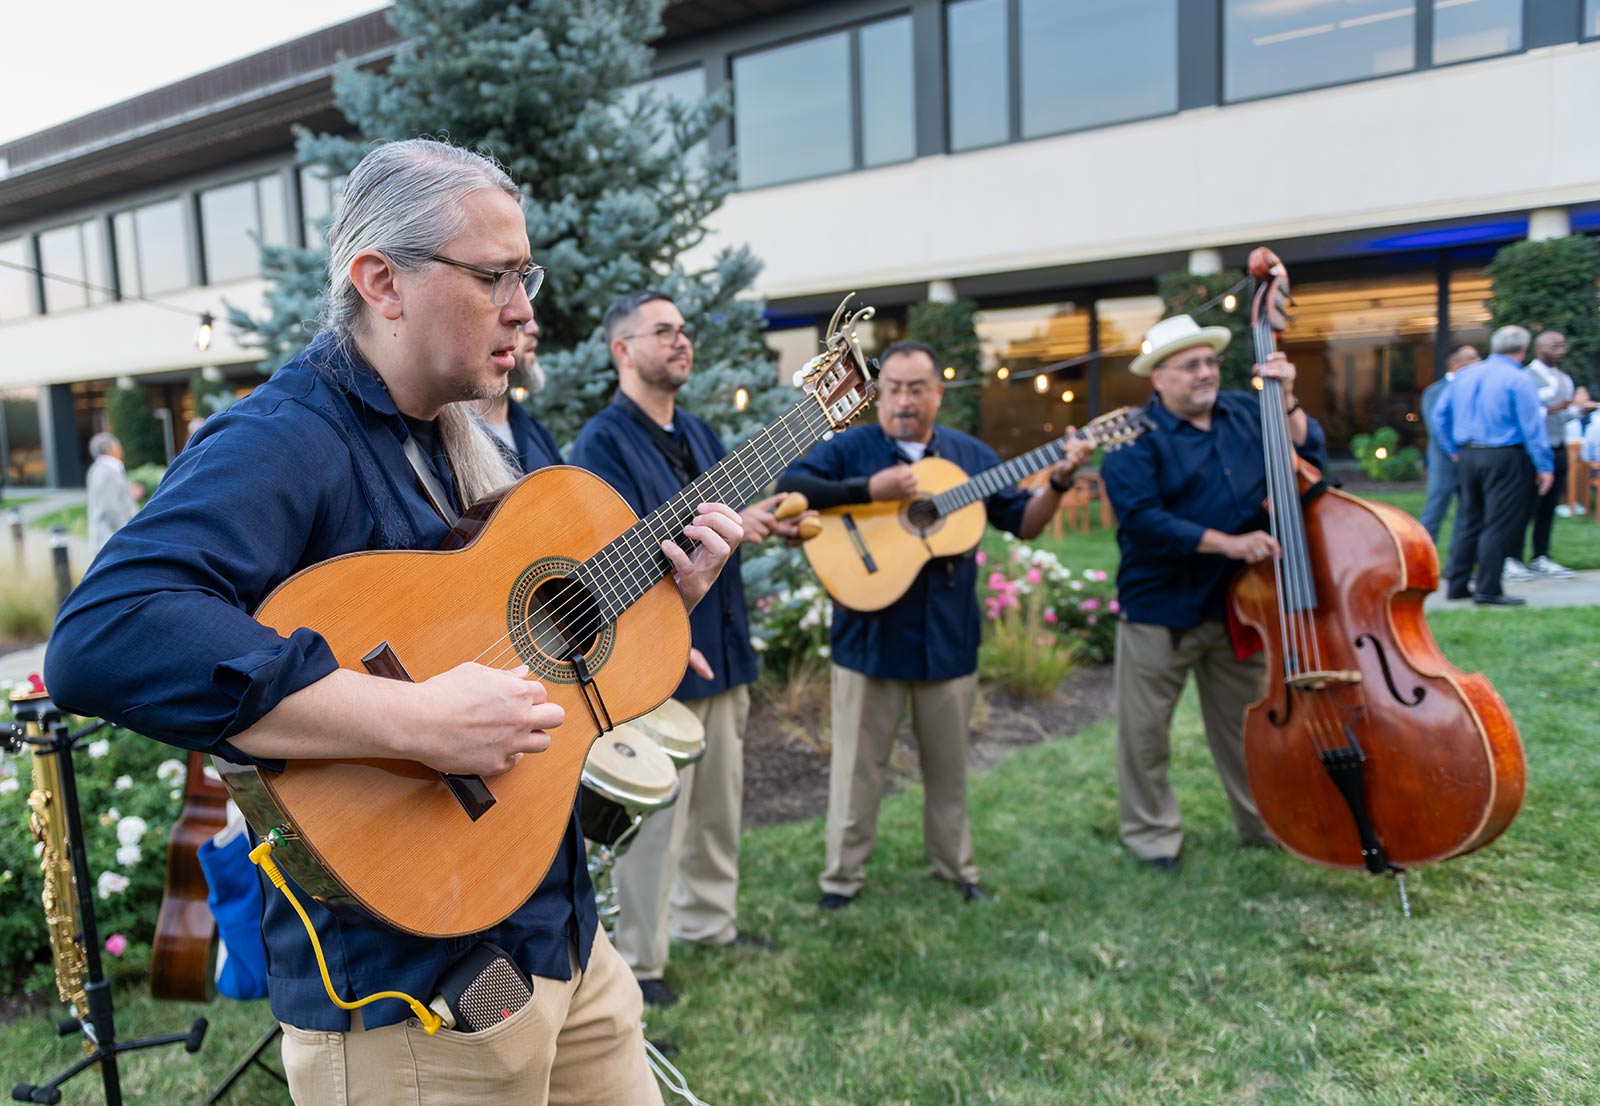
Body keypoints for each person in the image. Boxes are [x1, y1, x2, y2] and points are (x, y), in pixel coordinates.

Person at [46, 138, 746, 1106]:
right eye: (495, 275)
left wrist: (660, 595)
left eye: (525, 274)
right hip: (410, 1007)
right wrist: (417, 723)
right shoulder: (287, 436)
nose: (524, 309)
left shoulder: (453, 433)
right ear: (381, 281)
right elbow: (103, 635)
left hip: (561, 942)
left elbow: (501, 643)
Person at [777, 339, 1092, 909]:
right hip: (869, 637)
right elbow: (789, 490)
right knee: (857, 770)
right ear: (878, 395)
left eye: (916, 388)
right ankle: (841, 880)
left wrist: (1062, 480)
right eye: (892, 388)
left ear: (938, 393)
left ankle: (956, 868)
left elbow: (1023, 523)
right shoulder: (852, 448)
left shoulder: (969, 457)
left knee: (949, 771)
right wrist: (867, 490)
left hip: (948, 640)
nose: (903, 399)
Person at [569, 289, 793, 1008]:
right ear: (622, 350)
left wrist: (748, 521)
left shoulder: (697, 430)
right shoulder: (602, 440)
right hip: (655, 656)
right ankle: (642, 957)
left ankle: (711, 922)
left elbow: (708, 523)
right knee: (658, 821)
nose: (681, 340)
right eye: (662, 331)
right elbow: (619, 552)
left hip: (723, 643)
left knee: (720, 806)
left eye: (684, 330)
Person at [1099, 315, 1325, 870]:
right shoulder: (1132, 435)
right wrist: (1229, 543)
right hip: (1161, 610)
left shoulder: (1249, 413)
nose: (1205, 374)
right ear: (1159, 378)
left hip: (1243, 607)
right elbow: (1143, 520)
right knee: (1145, 734)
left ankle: (1262, 822)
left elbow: (1309, 458)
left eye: (1210, 362)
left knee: (1249, 729)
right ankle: (1152, 836)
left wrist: (1289, 397)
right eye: (1190, 365)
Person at [1433, 324, 1553, 607]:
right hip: (1504, 455)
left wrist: (1453, 449)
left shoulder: (1464, 375)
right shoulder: (1518, 379)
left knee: (1469, 519)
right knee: (1498, 522)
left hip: (1468, 454)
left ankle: (1457, 585)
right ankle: (1488, 589)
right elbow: (1532, 427)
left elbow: (1440, 416)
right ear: (1522, 350)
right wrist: (1544, 465)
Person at [1511, 330, 1590, 578]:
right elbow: (1526, 415)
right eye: (1555, 345)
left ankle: (1540, 556)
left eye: (1563, 345)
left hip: (1557, 448)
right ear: (1539, 347)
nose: (1561, 350)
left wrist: (1577, 411)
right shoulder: (1525, 377)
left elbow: (1561, 415)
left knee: (1548, 506)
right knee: (1525, 506)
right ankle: (1512, 558)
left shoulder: (1565, 379)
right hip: (1531, 452)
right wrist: (1556, 408)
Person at [472, 315, 562, 472]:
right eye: (517, 321)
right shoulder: (449, 442)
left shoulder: (534, 430)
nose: (533, 328)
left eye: (533, 317)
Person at [1418, 345, 1481, 544]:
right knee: (1435, 510)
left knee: (1467, 512)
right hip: (1443, 460)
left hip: (1470, 459)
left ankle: (1459, 565)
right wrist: (1453, 451)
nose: (1478, 361)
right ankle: (1422, 560)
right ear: (1456, 362)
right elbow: (1435, 427)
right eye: (1473, 357)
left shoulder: (1474, 389)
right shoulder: (1434, 391)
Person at [85, 431, 138, 556]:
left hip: (113, 540)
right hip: (111, 541)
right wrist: (128, 534)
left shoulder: (103, 469)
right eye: (118, 446)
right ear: (111, 449)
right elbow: (112, 508)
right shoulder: (106, 471)